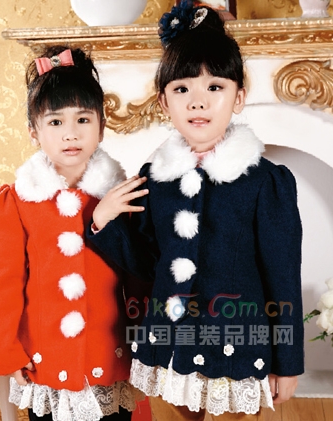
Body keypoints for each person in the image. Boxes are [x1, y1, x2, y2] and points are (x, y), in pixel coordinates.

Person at [87, 2, 304, 420]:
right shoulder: (154, 178)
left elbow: (283, 278)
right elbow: (147, 265)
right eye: (182, 89)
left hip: (239, 344)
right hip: (173, 343)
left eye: (215, 88)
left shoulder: (266, 182)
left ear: (239, 97)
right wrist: (104, 221)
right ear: (163, 102)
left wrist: (288, 362)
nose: (198, 103)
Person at [0, 45, 138, 421]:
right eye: (55, 122)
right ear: (33, 132)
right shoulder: (15, 201)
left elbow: (139, 274)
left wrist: (146, 342)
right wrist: (7, 352)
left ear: (102, 127)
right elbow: (2, 285)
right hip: (45, 358)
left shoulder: (120, 196)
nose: (70, 134)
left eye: (83, 119)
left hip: (108, 353)